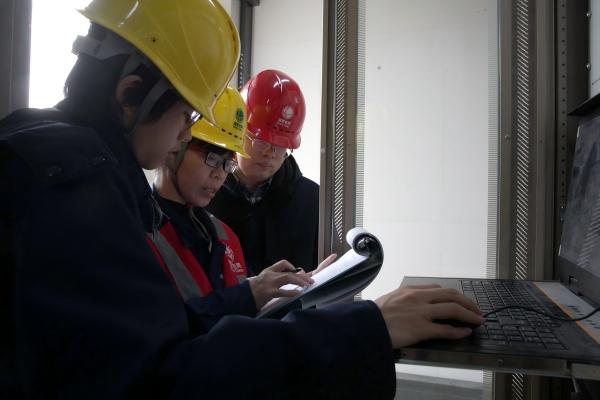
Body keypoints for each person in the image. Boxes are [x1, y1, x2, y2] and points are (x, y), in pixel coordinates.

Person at [0, 1, 485, 398]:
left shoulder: (45, 154)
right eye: (186, 117)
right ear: (132, 94)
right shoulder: (72, 188)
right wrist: (363, 328)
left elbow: (154, 333)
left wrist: (251, 293)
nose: (184, 137)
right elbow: (165, 379)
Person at [150, 86, 327, 329]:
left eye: (227, 164)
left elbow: (234, 320)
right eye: (213, 158)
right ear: (175, 147)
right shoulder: (138, 228)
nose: (219, 175)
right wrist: (249, 294)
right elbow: (157, 326)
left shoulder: (224, 236)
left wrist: (291, 289)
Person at [207, 70, 319, 275]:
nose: (269, 153)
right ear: (239, 132)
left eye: (280, 147)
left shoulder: (311, 200)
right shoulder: (206, 192)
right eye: (260, 141)